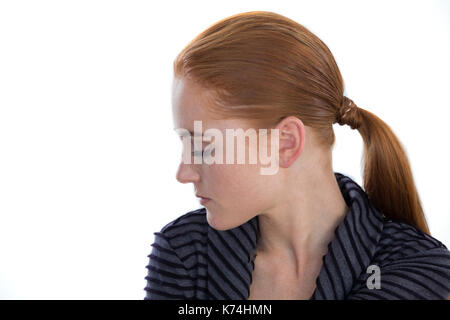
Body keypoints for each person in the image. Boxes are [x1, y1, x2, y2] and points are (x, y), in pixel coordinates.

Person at [144, 11, 450, 300]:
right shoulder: (185, 253)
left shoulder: (413, 269)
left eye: (203, 147)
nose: (183, 173)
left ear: (286, 142)